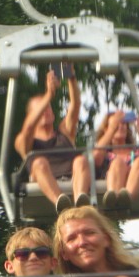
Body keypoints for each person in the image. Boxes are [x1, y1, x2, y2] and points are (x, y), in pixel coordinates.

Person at [15, 68, 92, 215]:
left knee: (81, 160)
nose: (46, 111)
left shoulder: (64, 132)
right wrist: (49, 94)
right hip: (45, 180)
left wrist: (71, 76)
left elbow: (75, 105)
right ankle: (61, 203)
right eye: (41, 108)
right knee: (39, 162)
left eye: (48, 107)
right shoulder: (24, 140)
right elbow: (29, 127)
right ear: (32, 115)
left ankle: (81, 202)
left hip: (72, 177)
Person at [93, 110, 139, 216]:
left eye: (124, 124)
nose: (121, 126)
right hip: (113, 175)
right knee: (118, 163)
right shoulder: (105, 152)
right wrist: (111, 130)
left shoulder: (136, 151)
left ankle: (126, 199)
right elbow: (95, 158)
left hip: (136, 176)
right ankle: (113, 198)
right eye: (117, 123)